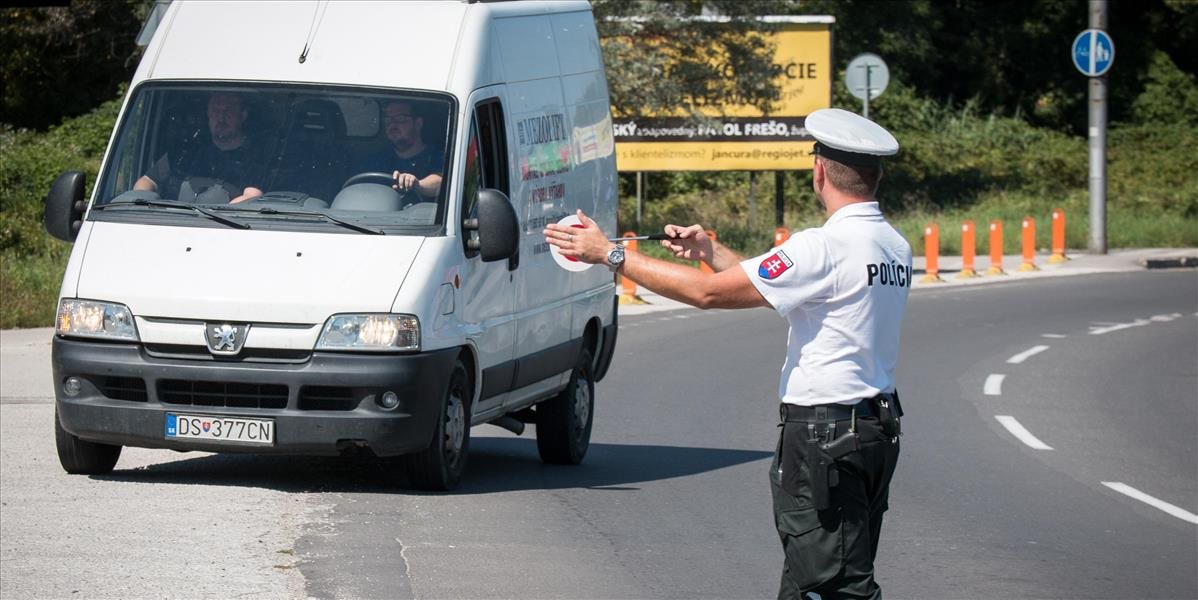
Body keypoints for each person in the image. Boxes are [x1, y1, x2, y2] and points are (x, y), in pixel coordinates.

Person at [545, 108, 912, 600]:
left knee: (837, 586)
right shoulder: (892, 244)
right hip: (871, 431)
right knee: (811, 580)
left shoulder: (824, 246)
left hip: (824, 437)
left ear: (819, 170)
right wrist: (710, 253)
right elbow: (776, 290)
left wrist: (610, 254)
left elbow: (709, 295)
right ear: (876, 174)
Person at [134, 92, 264, 204]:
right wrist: (142, 202)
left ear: (243, 115)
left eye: (228, 111)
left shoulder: (256, 157)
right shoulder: (186, 152)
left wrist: (216, 214)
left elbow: (252, 197)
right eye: (215, 110)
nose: (221, 116)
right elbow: (147, 181)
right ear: (208, 114)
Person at [366, 100, 443, 200]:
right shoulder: (376, 160)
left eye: (400, 118)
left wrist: (417, 185)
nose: (392, 125)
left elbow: (442, 182)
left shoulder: (436, 156)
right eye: (388, 120)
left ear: (418, 123)